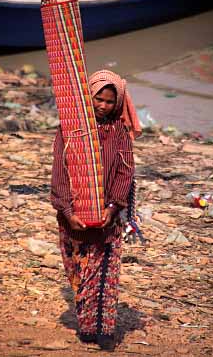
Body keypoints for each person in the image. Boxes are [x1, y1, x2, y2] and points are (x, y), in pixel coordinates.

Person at [51, 69, 141, 351]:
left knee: (103, 273)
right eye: (98, 99)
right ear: (87, 96)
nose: (103, 105)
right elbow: (59, 172)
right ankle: (87, 325)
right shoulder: (69, 130)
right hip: (73, 218)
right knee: (79, 270)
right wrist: (67, 210)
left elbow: (125, 174)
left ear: (118, 103)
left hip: (107, 218)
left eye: (109, 101)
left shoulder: (119, 133)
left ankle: (104, 329)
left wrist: (113, 207)